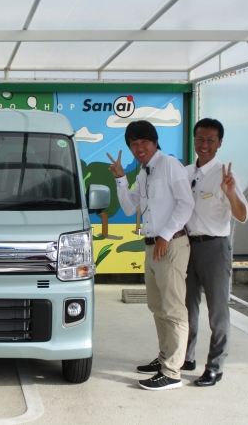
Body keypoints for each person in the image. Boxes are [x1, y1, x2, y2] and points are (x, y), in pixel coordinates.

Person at [107, 120, 194, 391]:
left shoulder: (169, 165)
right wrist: (120, 177)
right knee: (157, 307)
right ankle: (164, 357)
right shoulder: (144, 172)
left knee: (174, 309)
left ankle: (172, 372)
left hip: (171, 244)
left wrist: (166, 235)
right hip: (152, 246)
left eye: (144, 142)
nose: (139, 148)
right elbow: (129, 206)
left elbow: (186, 203)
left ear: (155, 142)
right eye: (133, 144)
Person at [182, 118, 248, 387]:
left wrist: (230, 193)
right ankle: (185, 357)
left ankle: (215, 366)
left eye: (210, 140)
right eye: (200, 139)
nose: (204, 144)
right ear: (194, 140)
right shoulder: (186, 172)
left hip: (214, 248)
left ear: (219, 143)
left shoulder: (225, 176)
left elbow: (242, 215)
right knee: (186, 307)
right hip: (186, 247)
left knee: (217, 311)